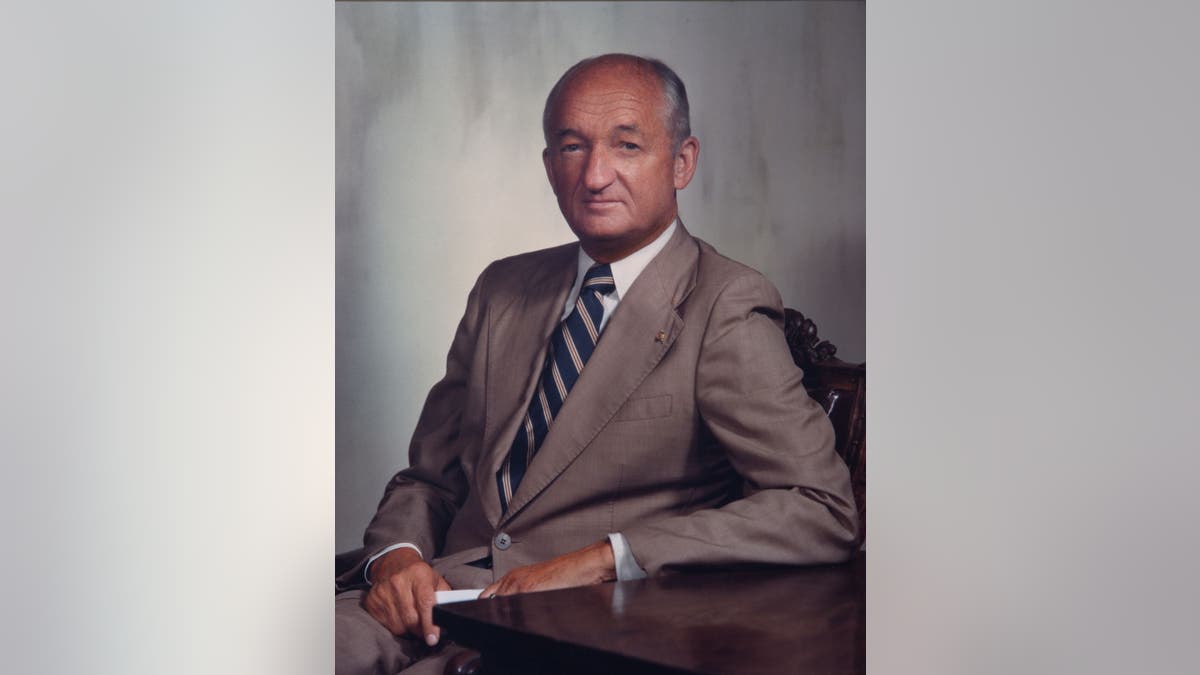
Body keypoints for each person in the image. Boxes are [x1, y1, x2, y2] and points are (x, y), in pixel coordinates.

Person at [335, 53, 859, 675]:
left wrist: (608, 558)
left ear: (683, 161)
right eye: (571, 147)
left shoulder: (724, 304)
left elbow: (819, 504)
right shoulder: (503, 288)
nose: (596, 174)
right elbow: (430, 477)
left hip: (586, 627)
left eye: (627, 145)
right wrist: (395, 556)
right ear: (548, 166)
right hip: (434, 597)